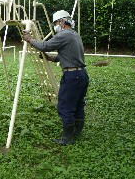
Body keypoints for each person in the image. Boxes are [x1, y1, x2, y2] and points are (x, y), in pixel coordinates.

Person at [23, 10, 89, 145]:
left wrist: (30, 39)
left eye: (56, 23)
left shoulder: (64, 35)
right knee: (78, 104)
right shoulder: (75, 35)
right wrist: (50, 58)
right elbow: (65, 55)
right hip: (82, 75)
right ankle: (77, 132)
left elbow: (45, 46)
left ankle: (67, 138)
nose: (55, 26)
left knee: (65, 106)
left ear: (62, 22)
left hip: (72, 76)